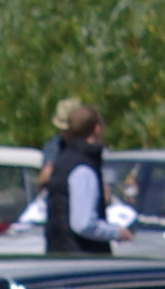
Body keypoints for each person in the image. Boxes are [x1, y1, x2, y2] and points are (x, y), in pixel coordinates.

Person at [43, 102, 115, 256]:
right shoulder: (84, 166)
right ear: (97, 129)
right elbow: (83, 224)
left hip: (58, 253)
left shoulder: (61, 161)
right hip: (81, 257)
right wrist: (118, 232)